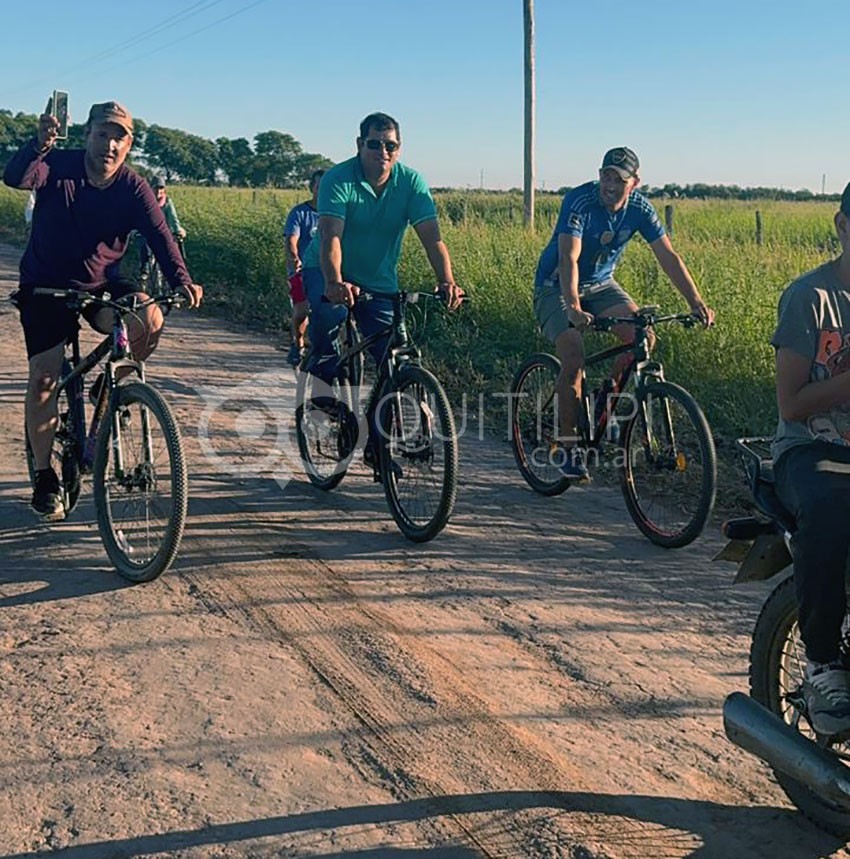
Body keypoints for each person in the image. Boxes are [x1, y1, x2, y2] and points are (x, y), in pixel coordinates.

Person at [3, 100, 203, 520]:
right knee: (45, 377)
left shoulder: (133, 186)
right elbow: (16, 177)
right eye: (103, 134)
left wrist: (182, 280)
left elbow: (161, 235)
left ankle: (112, 387)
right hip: (46, 284)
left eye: (120, 137)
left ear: (129, 144)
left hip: (102, 284)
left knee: (149, 316)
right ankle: (44, 476)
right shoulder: (57, 165)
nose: (110, 144)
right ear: (88, 134)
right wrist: (38, 146)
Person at [533, 146, 715, 480]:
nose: (610, 184)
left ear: (634, 183)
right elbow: (568, 258)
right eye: (606, 175)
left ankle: (607, 405)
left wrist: (695, 301)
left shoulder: (641, 209)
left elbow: (668, 256)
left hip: (601, 286)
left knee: (642, 337)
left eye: (619, 178)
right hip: (556, 285)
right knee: (573, 356)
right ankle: (567, 445)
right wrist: (573, 307)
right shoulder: (579, 201)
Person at [300, 112, 463, 459]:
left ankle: (377, 441)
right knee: (329, 319)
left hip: (378, 280)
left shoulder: (411, 182)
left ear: (399, 149)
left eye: (391, 145)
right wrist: (334, 281)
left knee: (391, 355)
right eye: (375, 144)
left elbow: (432, 239)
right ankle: (322, 390)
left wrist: (446, 280)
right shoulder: (338, 179)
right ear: (360, 145)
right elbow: (331, 237)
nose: (383, 151)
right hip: (326, 269)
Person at [772, 181, 850, 738]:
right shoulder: (811, 298)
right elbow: (792, 404)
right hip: (811, 449)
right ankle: (822, 663)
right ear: (843, 227)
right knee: (829, 510)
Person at [282, 169, 324, 367]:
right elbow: (291, 239)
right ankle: (297, 343)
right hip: (303, 269)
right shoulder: (300, 213)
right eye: (319, 186)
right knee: (302, 309)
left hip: (327, 270)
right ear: (312, 188)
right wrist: (294, 257)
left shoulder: (336, 214)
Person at [138, 175, 187, 281]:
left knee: (173, 248)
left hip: (163, 232)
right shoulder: (144, 200)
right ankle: (144, 270)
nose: (158, 191)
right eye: (156, 188)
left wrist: (178, 230)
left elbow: (173, 219)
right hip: (147, 231)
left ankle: (179, 275)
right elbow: (138, 217)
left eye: (161, 188)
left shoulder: (167, 202)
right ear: (150, 188)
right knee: (144, 244)